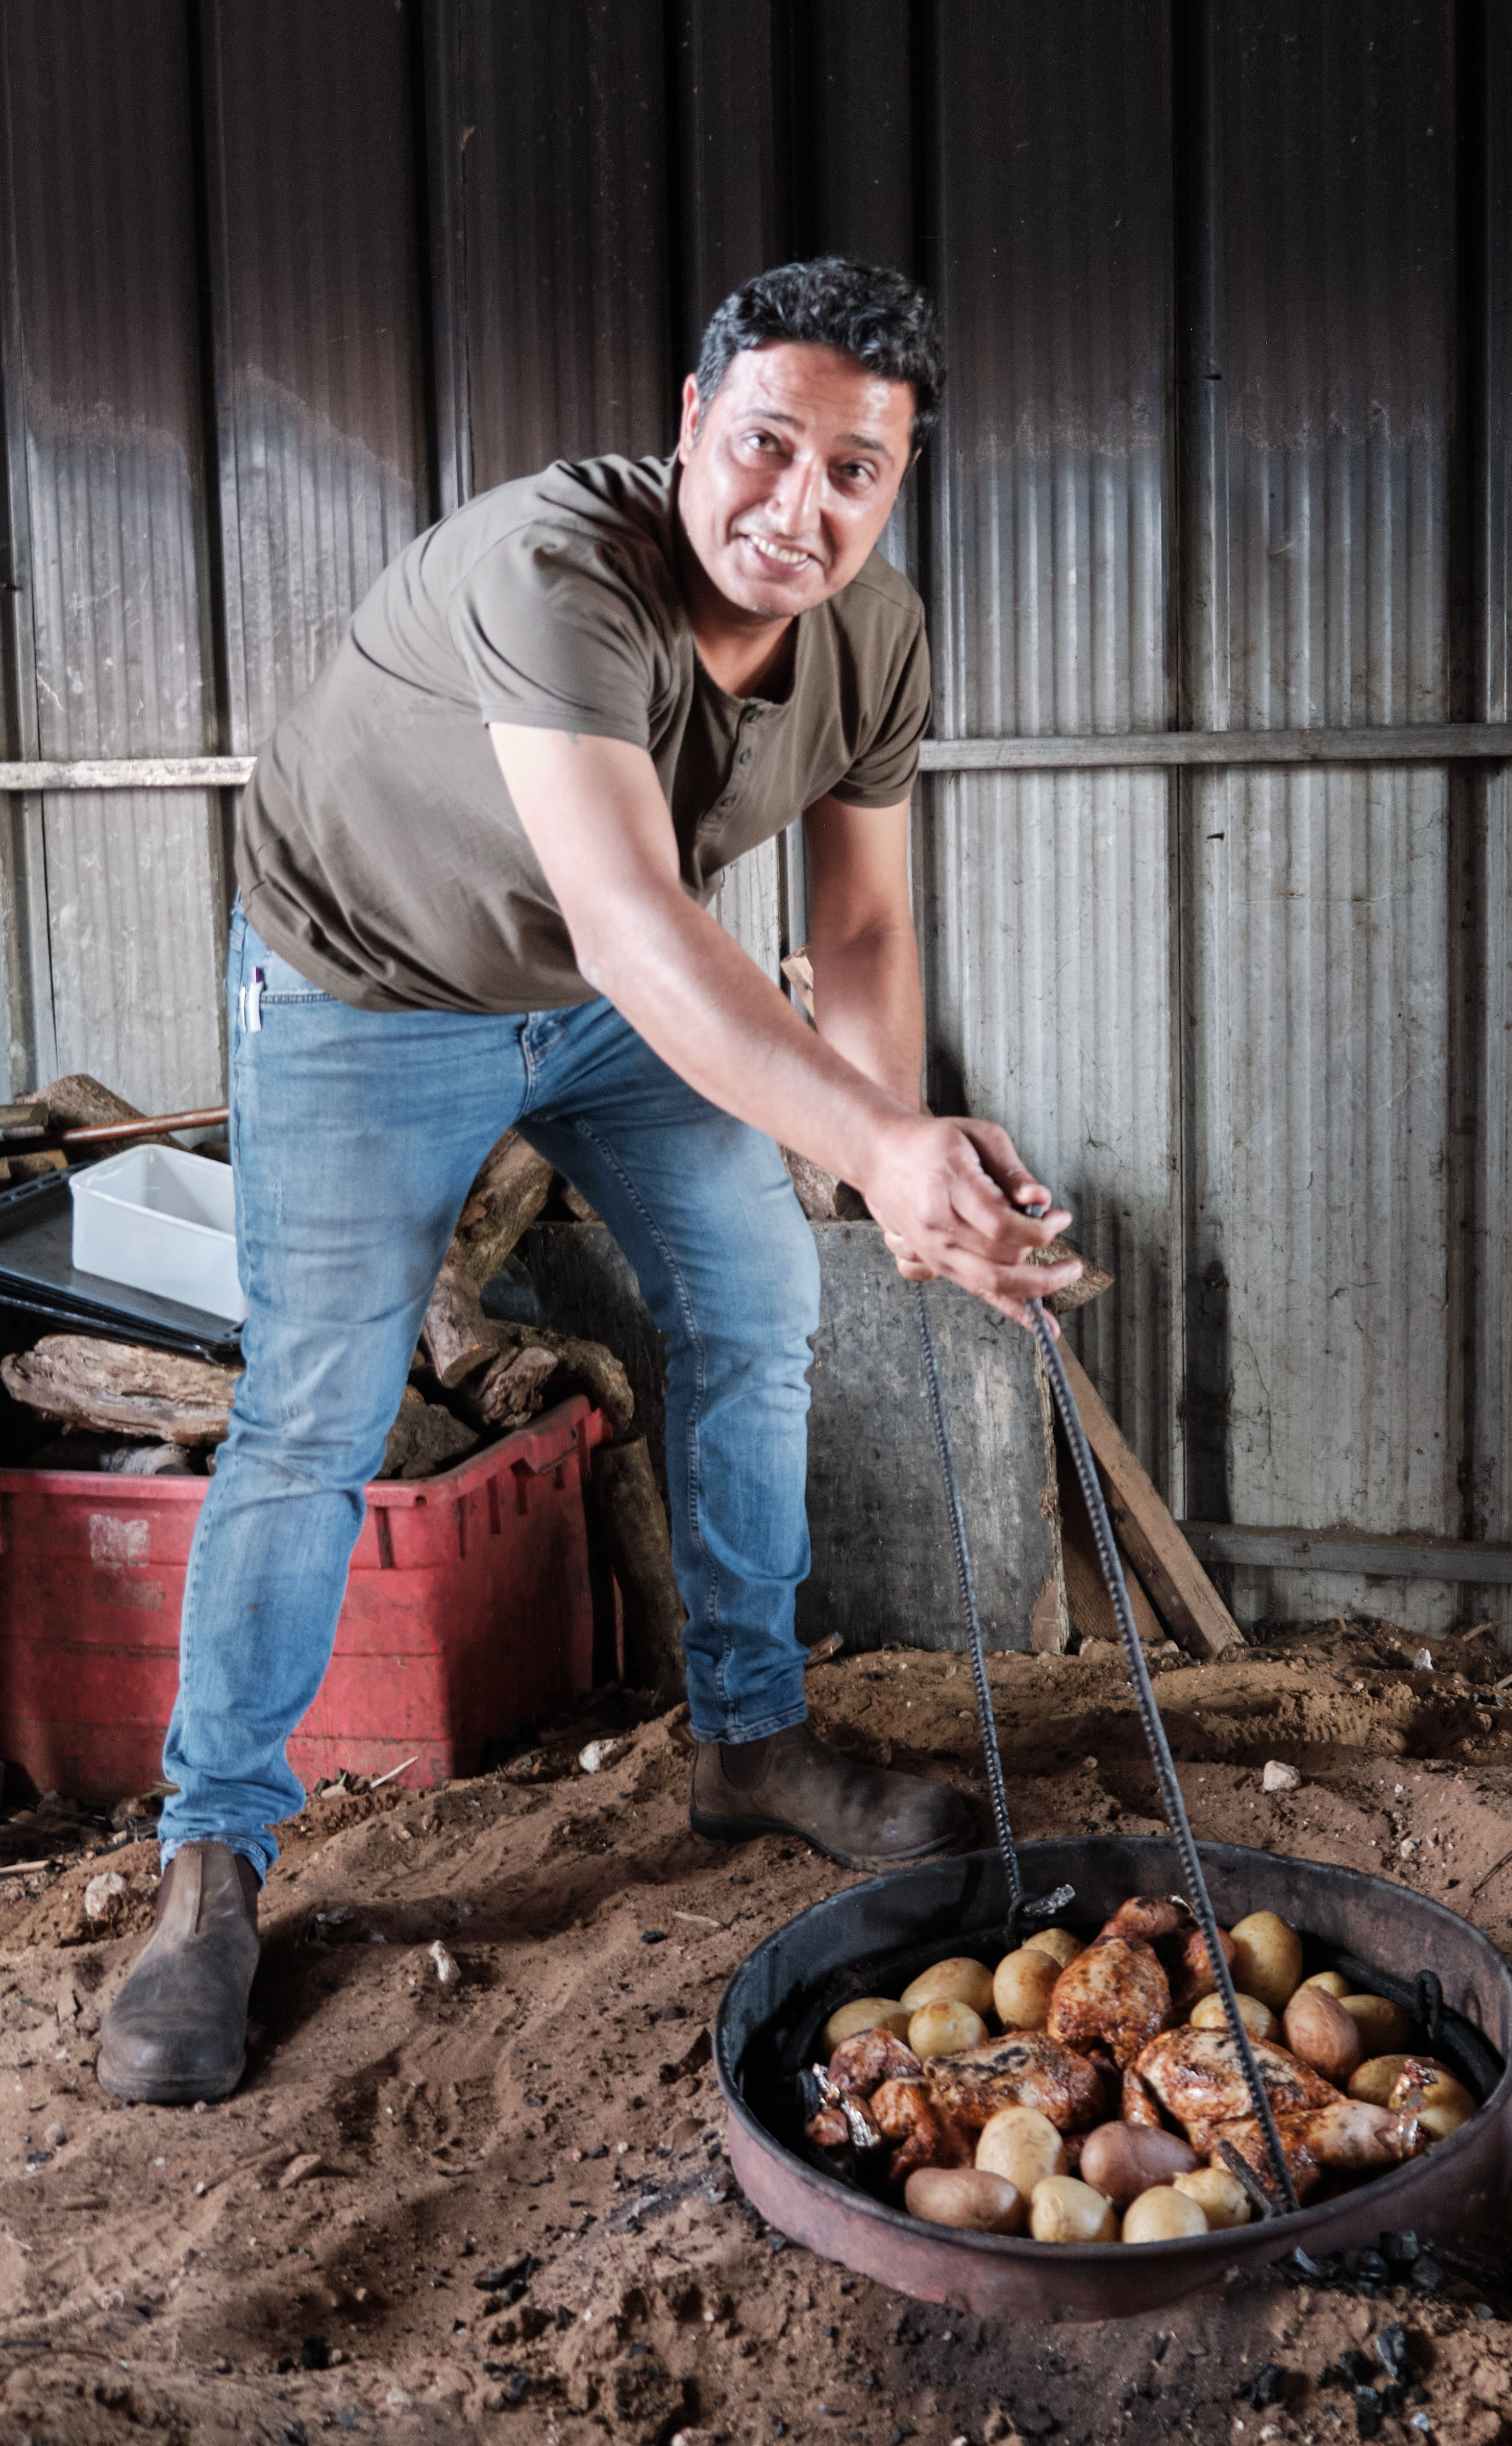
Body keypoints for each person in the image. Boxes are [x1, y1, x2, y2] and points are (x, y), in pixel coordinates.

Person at [97, 258, 1080, 2109]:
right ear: (692, 422)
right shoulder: (558, 568)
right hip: (372, 989)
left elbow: (864, 928)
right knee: (316, 1411)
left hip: (611, 997)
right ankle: (212, 1863)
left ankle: (751, 1737)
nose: (799, 507)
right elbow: (632, 917)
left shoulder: (873, 635)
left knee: (762, 1301)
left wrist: (898, 1164)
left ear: (900, 483)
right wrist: (874, 1145)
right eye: (767, 444)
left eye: (855, 473)